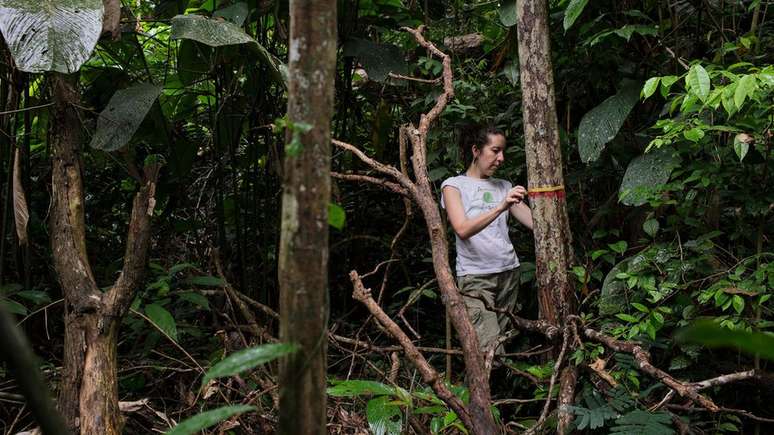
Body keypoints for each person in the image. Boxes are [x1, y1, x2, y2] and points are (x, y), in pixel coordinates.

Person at [440, 126, 533, 356]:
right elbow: (462, 228)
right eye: (495, 151)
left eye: (503, 152)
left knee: (504, 343)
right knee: (490, 350)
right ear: (476, 150)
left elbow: (535, 224)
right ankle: (480, 391)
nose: (501, 158)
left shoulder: (504, 186)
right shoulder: (453, 186)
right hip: (475, 278)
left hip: (509, 274)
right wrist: (502, 206)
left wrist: (545, 196)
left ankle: (495, 391)